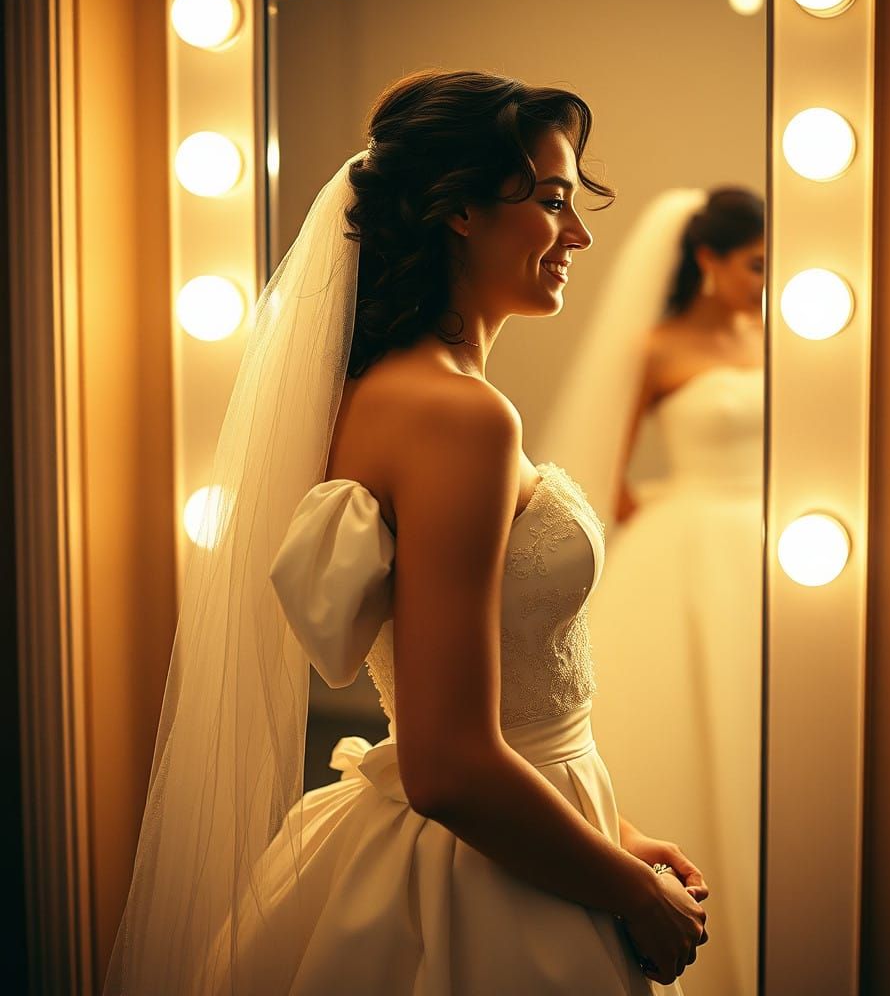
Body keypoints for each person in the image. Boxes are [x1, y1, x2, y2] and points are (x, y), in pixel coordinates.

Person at [103, 69, 711, 995]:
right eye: (553, 200)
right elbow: (450, 763)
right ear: (461, 210)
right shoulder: (460, 418)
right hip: (479, 877)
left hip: (526, 824)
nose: (578, 233)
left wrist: (607, 829)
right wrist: (630, 890)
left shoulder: (373, 394)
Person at [542, 187, 765, 995]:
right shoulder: (659, 346)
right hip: (695, 550)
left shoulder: (783, 337)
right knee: (694, 724)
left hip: (781, 548)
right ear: (707, 261)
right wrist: (686, 507)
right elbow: (609, 476)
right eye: (753, 266)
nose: (763, 284)